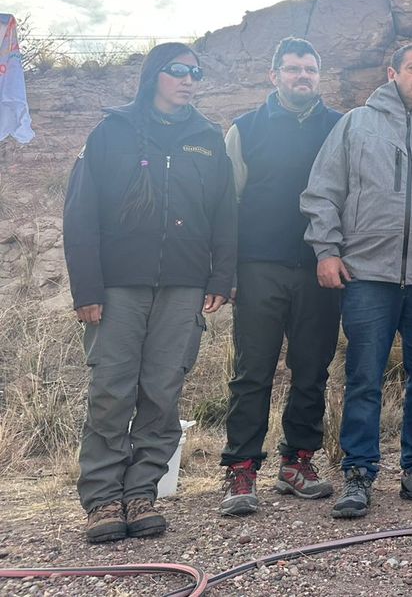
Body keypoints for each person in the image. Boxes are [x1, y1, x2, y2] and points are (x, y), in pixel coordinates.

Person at [301, 43, 412, 517]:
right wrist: (327, 250)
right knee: (364, 377)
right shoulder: (356, 124)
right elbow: (322, 191)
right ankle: (358, 473)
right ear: (392, 73)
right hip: (367, 274)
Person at [63, 43, 235, 543]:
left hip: (184, 286)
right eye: (178, 71)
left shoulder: (207, 139)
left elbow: (225, 214)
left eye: (196, 74)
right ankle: (101, 500)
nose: (189, 80)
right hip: (117, 288)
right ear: (153, 76)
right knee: (112, 392)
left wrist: (221, 277)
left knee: (162, 393)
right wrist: (86, 288)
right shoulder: (109, 133)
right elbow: (80, 215)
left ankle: (141, 494)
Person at [218, 37, 343, 516]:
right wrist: (225, 271)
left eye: (310, 69)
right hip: (259, 267)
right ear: (275, 76)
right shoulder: (245, 129)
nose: (302, 77)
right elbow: (226, 206)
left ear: (319, 76)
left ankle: (298, 463)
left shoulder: (340, 126)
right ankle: (241, 468)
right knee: (253, 372)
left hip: (321, 267)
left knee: (312, 369)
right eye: (293, 69)